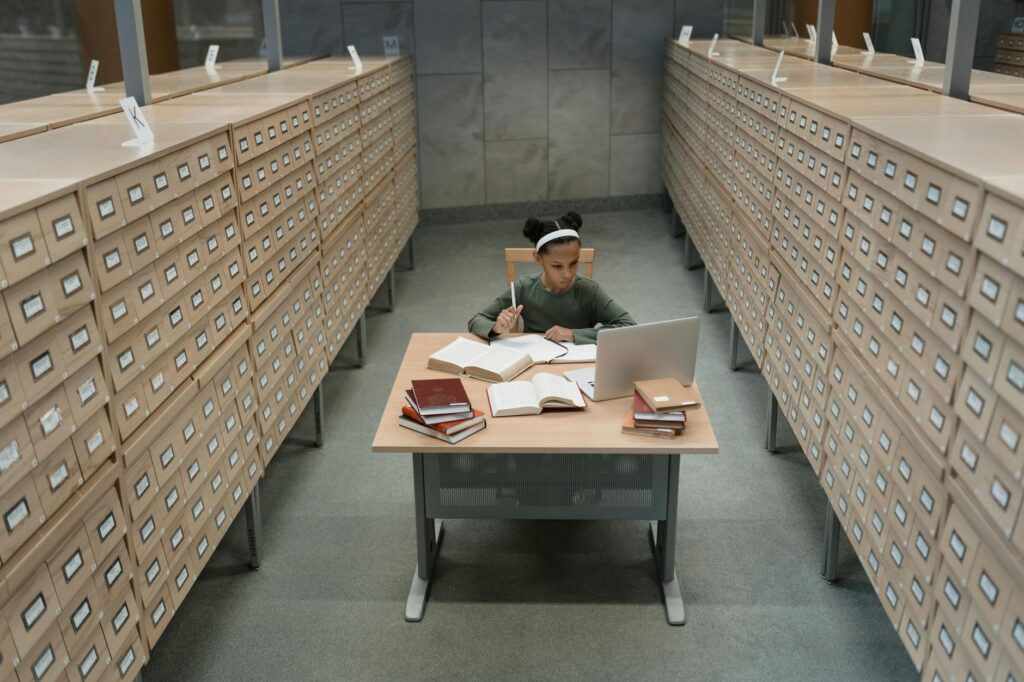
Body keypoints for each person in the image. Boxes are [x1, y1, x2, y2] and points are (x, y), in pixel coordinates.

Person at [468, 211, 636, 344]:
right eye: (557, 266)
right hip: (535, 365)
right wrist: (496, 328)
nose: (568, 274)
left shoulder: (589, 291)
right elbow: (476, 320)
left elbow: (629, 327)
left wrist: (573, 334)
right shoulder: (523, 288)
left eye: (573, 263)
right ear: (538, 258)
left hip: (578, 366)